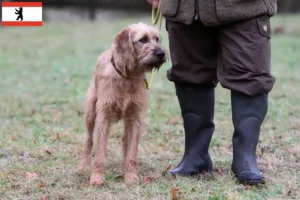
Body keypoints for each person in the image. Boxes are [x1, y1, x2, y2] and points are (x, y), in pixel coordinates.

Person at [147, 0, 277, 185]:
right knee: (189, 77)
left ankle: (245, 159)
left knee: (250, 78)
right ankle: (196, 156)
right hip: (185, 8)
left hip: (245, 7)